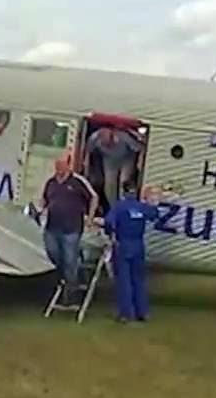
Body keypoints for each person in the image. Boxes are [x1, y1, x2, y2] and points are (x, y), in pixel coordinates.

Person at [38, 155, 98, 305]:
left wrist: (90, 218)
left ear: (68, 165)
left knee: (70, 259)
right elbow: (44, 199)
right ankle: (69, 276)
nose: (59, 167)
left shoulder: (77, 181)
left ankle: (70, 291)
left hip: (72, 228)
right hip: (52, 226)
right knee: (53, 253)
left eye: (62, 164)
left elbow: (94, 197)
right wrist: (41, 210)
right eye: (57, 164)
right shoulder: (51, 182)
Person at [103, 180, 163, 323]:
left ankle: (125, 313)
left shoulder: (119, 207)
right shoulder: (141, 207)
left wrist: (110, 233)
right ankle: (142, 312)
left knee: (124, 280)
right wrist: (152, 201)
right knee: (139, 280)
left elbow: (108, 222)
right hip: (138, 244)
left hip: (123, 244)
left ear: (123, 191)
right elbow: (154, 214)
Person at [86, 126, 141, 209]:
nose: (106, 145)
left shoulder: (124, 137)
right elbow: (88, 150)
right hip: (109, 161)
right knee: (109, 186)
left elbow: (139, 148)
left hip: (126, 160)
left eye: (108, 143)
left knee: (123, 181)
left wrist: (140, 161)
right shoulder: (95, 140)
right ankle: (114, 206)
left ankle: (123, 204)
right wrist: (86, 162)